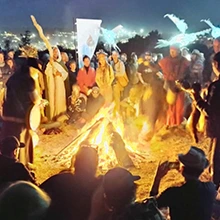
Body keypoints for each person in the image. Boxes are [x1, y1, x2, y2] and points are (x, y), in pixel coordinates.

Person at [150, 146, 216, 220]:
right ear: (201, 170)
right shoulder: (211, 189)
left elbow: (152, 205)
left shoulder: (173, 193)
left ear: (182, 170)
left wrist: (158, 178)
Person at [2, 56, 42, 168]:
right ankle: (21, 165)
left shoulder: (12, 78)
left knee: (9, 139)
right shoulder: (28, 80)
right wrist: (40, 101)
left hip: (8, 115)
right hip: (21, 116)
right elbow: (35, 99)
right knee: (22, 140)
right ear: (29, 69)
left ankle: (7, 163)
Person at [40, 147, 101, 220]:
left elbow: (36, 193)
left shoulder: (61, 179)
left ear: (75, 163)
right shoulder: (100, 186)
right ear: (95, 165)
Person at [89, 167, 164, 220]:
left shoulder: (109, 217)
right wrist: (157, 179)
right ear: (132, 191)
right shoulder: (145, 211)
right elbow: (151, 206)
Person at [192, 52, 220, 188]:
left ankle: (214, 195)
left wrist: (196, 96)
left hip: (218, 130)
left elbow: (209, 110)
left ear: (216, 65)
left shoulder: (216, 86)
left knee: (216, 163)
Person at [159, 44, 190, 127]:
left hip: (180, 87)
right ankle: (169, 123)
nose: (172, 52)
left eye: (174, 51)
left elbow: (188, 74)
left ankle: (178, 123)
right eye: (171, 51)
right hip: (169, 86)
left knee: (179, 107)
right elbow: (165, 74)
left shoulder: (184, 62)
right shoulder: (165, 61)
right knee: (169, 106)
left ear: (179, 51)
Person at [45, 47, 68, 121]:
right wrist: (51, 68)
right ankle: (52, 117)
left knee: (59, 99)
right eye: (53, 52)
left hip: (59, 84)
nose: (55, 53)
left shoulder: (60, 63)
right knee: (52, 99)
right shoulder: (49, 63)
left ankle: (60, 116)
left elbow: (65, 74)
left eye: (56, 51)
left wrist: (60, 74)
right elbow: (46, 73)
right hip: (52, 84)